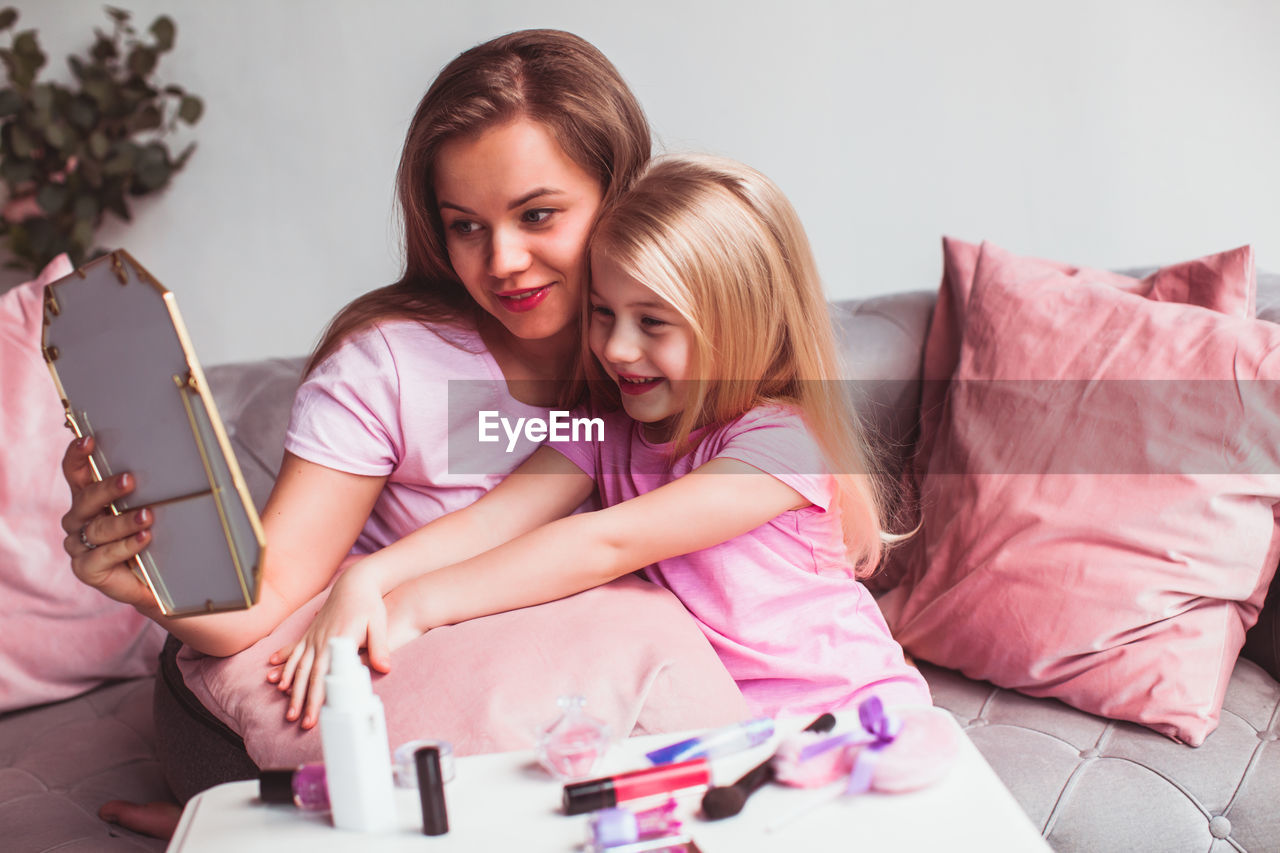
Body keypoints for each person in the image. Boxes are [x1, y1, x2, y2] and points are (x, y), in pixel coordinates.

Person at [59, 31, 747, 836]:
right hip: (284, 688)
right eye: (466, 226)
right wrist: (143, 579)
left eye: (538, 214)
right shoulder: (387, 364)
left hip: (520, 677)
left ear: (621, 193)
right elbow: (264, 602)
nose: (504, 261)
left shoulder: (672, 347)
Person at [273, 154, 932, 724]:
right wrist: (369, 580)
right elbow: (494, 521)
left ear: (739, 325)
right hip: (725, 731)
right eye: (603, 314)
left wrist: (416, 605)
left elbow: (604, 542)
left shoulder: (780, 446)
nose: (617, 347)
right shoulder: (605, 427)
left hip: (854, 716)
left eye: (652, 322)